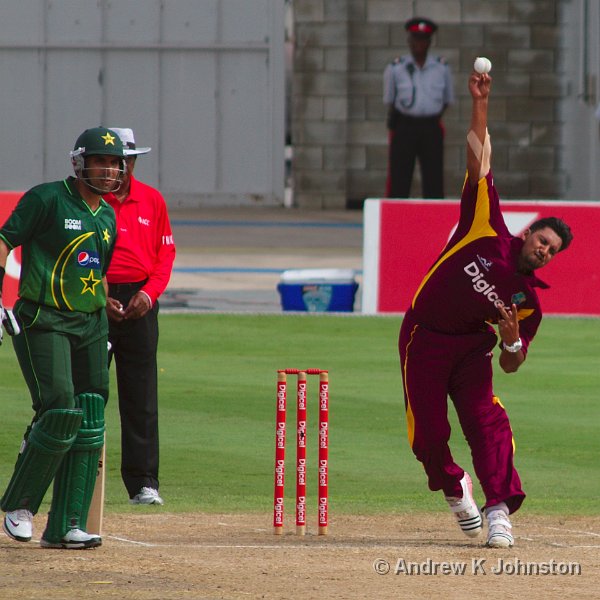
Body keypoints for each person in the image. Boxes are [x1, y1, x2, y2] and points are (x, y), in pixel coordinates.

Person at [398, 71, 573, 548]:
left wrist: (512, 341)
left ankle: (499, 509)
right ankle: (457, 491)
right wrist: (481, 102)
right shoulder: (485, 226)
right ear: (529, 231)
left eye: (552, 250)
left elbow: (513, 364)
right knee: (428, 435)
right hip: (424, 336)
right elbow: (478, 161)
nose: (544, 250)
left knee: (489, 425)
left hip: (473, 352)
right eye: (543, 240)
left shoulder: (527, 300)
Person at [0, 127, 125, 549]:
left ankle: (67, 524)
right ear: (80, 163)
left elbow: (97, 272)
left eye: (114, 162)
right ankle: (20, 505)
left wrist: (108, 310)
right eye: (100, 161)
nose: (108, 169)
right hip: (44, 318)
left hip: (91, 323)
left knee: (90, 411)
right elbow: (4, 241)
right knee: (58, 406)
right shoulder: (47, 198)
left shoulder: (107, 215)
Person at [104, 127, 175, 506]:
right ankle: (81, 477)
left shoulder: (151, 200)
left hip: (140, 299)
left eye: (126, 161)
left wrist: (149, 293)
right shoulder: (90, 200)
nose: (120, 168)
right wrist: (98, 294)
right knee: (86, 391)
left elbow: (165, 256)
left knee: (141, 394)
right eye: (114, 161)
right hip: (94, 297)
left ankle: (144, 482)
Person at [383, 17, 454, 198]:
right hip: (405, 125)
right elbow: (390, 98)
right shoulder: (396, 68)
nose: (419, 44)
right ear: (409, 41)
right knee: (399, 177)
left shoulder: (441, 68)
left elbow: (446, 99)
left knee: (433, 178)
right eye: (415, 39)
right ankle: (397, 220)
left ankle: (434, 220)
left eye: (423, 39)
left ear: (429, 42)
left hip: (431, 127)